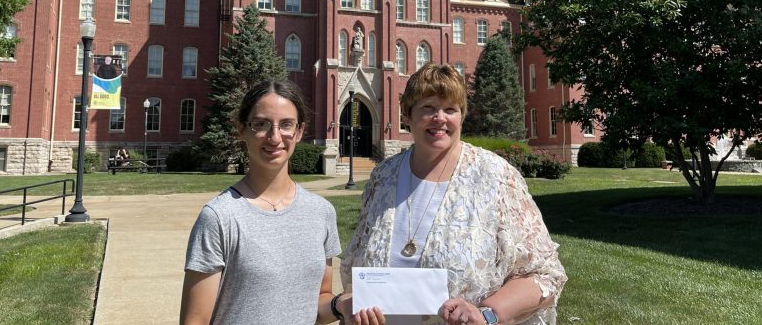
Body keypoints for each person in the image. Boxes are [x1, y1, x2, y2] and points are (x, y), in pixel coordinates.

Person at [338, 64, 567, 325]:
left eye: (450, 109)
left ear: (461, 116)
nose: (440, 118)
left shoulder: (495, 176)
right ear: (407, 115)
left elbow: (546, 274)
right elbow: (356, 271)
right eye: (428, 108)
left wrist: (486, 314)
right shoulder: (383, 178)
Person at [181, 80, 380, 324]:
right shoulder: (219, 216)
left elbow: (317, 302)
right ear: (242, 130)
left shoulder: (321, 212)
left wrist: (341, 305)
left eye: (286, 125)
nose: (275, 137)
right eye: (261, 124)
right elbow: (195, 320)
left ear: (299, 132)